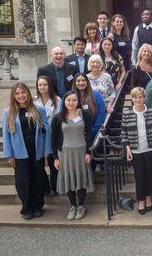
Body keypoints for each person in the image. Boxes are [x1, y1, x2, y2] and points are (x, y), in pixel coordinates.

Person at [2, 83, 51, 220]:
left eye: (23, 92)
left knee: (38, 178)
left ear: (28, 93)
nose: (21, 96)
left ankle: (38, 206)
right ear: (13, 96)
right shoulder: (8, 112)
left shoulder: (38, 109)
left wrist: (47, 149)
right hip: (19, 152)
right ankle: (27, 207)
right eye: (17, 94)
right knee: (23, 181)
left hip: (37, 150)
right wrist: (9, 155)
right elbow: (6, 135)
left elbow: (47, 130)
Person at [51, 91, 94, 220]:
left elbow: (90, 134)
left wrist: (88, 151)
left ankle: (81, 205)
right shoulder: (58, 117)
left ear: (78, 101)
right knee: (69, 178)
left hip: (81, 152)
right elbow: (53, 139)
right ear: (64, 101)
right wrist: (55, 158)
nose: (71, 103)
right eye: (68, 100)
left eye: (74, 100)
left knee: (81, 178)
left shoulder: (84, 114)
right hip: (65, 153)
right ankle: (73, 206)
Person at [120, 87, 152, 215]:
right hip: (135, 150)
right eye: (135, 97)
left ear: (144, 98)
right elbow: (123, 133)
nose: (138, 99)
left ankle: (148, 198)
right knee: (139, 176)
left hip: (150, 148)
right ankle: (141, 200)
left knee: (149, 174)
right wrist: (128, 148)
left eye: (140, 97)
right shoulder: (127, 113)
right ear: (132, 98)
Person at [34, 76, 62, 196]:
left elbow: (59, 118)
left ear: (49, 86)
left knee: (52, 162)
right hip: (38, 135)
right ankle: (45, 186)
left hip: (52, 134)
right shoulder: (34, 100)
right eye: (40, 85)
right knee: (39, 163)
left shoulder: (57, 100)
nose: (42, 87)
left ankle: (54, 186)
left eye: (45, 84)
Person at [71, 73, 105, 138]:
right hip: (74, 132)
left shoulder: (96, 95)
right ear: (74, 83)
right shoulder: (69, 96)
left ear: (87, 82)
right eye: (78, 81)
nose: (81, 83)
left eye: (83, 80)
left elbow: (101, 112)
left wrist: (94, 129)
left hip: (93, 131)